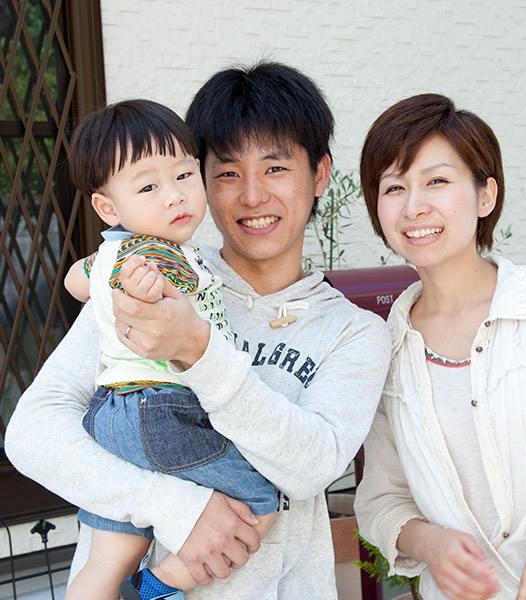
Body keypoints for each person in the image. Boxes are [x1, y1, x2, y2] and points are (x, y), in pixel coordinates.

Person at [5, 62, 391, 600]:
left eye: (275, 168)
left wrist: (198, 349)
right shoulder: (153, 279)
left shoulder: (352, 332)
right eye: (228, 173)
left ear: (320, 173)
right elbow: (31, 433)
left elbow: (311, 466)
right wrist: (171, 506)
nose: (252, 196)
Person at [354, 93, 526, 600]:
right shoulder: (386, 350)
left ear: (485, 196)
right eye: (394, 187)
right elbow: (381, 500)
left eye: (436, 181)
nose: (414, 206)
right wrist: (431, 543)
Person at [61, 99, 278, 600]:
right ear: (107, 208)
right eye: (148, 187)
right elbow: (174, 302)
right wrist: (143, 291)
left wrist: (105, 285)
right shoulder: (159, 254)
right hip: (162, 409)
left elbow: (75, 279)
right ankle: (160, 586)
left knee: (106, 557)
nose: (175, 196)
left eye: (183, 176)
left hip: (109, 412)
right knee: (260, 503)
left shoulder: (111, 252)